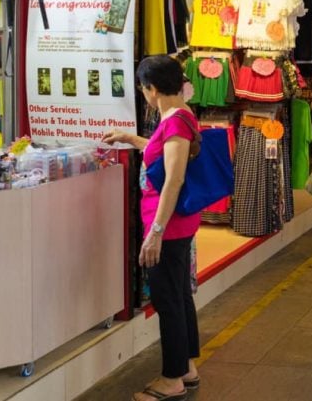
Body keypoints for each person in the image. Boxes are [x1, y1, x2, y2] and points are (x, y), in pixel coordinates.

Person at [102, 56, 201, 400]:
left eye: (144, 89)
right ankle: (186, 367)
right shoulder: (179, 116)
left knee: (168, 299)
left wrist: (155, 232)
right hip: (175, 224)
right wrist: (131, 138)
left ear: (152, 89)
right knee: (179, 294)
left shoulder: (176, 122)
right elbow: (163, 154)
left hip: (169, 226)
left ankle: (172, 378)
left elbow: (173, 178)